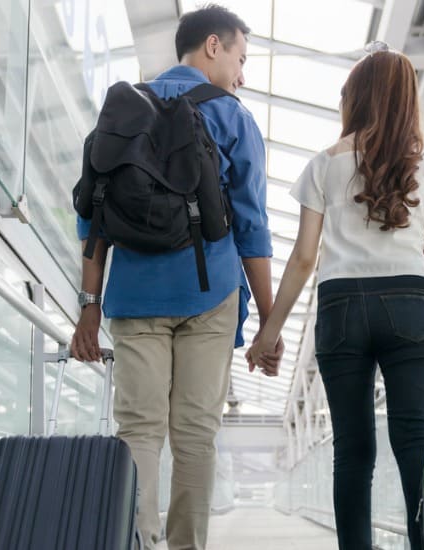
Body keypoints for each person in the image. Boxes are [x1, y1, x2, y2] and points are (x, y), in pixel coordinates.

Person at [246, 43, 424, 549]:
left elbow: (305, 259)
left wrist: (269, 333)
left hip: (342, 307)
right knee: (418, 443)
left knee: (353, 452)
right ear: (407, 99)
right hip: (412, 305)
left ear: (355, 98)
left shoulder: (324, 164)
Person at [71, 5, 282, 550]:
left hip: (133, 295)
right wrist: (268, 321)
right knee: (194, 436)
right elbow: (252, 230)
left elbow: (91, 219)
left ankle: (137, 543)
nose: (242, 75)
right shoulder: (233, 117)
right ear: (213, 46)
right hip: (209, 294)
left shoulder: (123, 109)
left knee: (138, 430)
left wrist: (88, 306)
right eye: (240, 58)